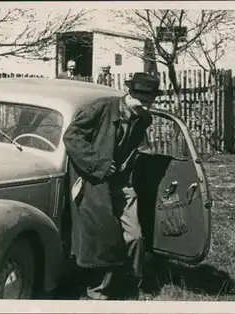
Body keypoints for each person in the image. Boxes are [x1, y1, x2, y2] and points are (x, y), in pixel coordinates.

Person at [63, 72, 163, 300]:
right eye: (142, 101)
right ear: (130, 93)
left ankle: (132, 285)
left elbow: (135, 149)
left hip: (122, 185)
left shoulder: (142, 120)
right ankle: (99, 294)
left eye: (149, 103)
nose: (145, 107)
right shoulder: (101, 109)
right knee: (105, 239)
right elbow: (72, 136)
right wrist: (97, 163)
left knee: (136, 236)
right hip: (95, 182)